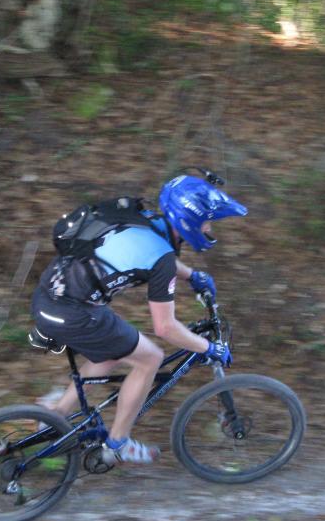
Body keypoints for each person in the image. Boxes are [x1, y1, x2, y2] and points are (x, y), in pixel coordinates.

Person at [30, 175, 248, 464]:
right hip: (72, 311)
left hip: (50, 297)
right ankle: (117, 443)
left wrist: (193, 276)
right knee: (150, 357)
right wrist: (208, 348)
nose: (208, 229)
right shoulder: (163, 260)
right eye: (207, 222)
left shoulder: (143, 218)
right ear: (189, 222)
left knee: (112, 352)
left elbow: (151, 250)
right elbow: (165, 327)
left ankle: (55, 415)